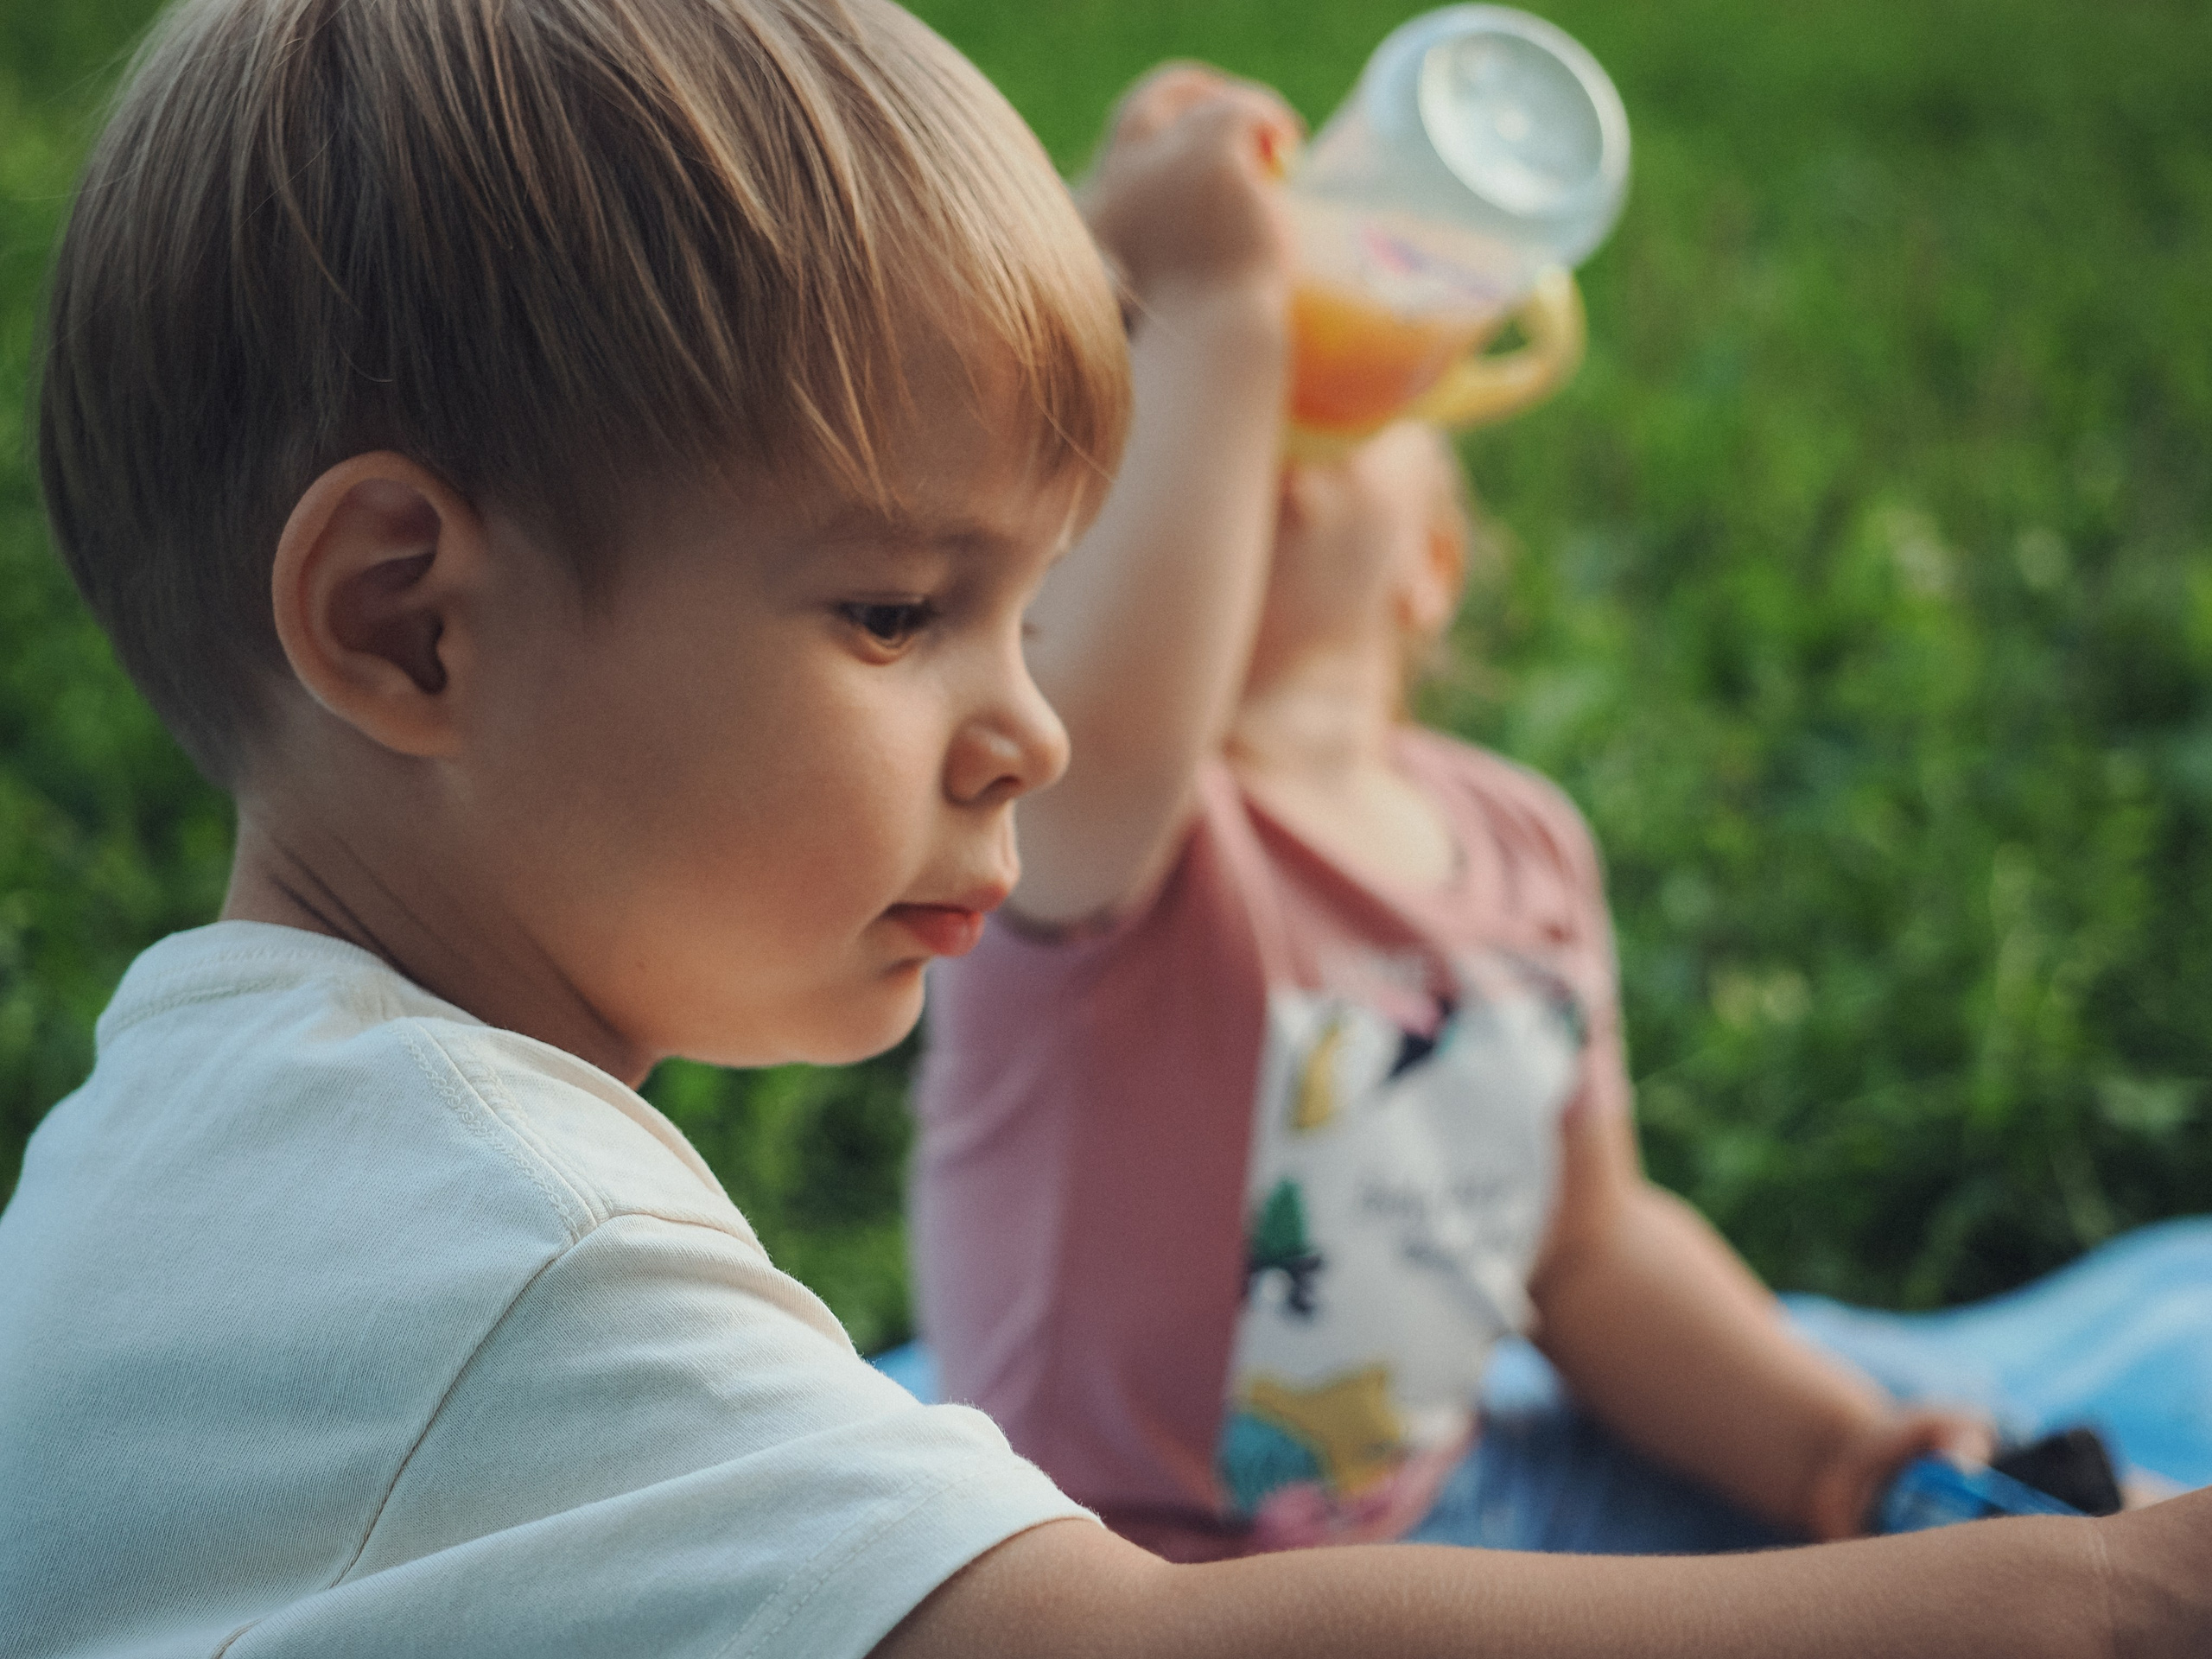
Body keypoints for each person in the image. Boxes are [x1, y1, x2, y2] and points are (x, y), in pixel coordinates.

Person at [3, 3, 2208, 1656]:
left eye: (1029, 611)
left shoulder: (245, 1126)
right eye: (895, 610)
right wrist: (2089, 1591)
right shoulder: (508, 1251)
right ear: (408, 622)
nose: (1034, 735)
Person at [904, 61, 2183, 1567]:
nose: (1251, 402)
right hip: (1111, 1578)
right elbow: (1124, 709)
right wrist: (1203, 301)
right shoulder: (1098, 817)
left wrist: (1836, 1452)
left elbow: (1588, 1250)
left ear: (1435, 556)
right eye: (1159, 406)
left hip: (1446, 1508)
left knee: (1944, 1516)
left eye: (1308, 375)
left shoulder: (1523, 848)